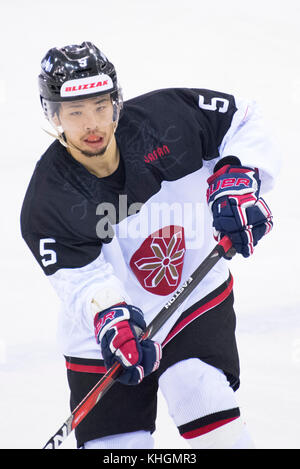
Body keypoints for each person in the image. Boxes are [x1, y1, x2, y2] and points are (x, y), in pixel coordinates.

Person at [20, 41, 279, 450]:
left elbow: (243, 119)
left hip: (192, 295)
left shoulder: (166, 122)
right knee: (119, 446)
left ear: (117, 103)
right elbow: (82, 279)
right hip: (105, 333)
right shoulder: (48, 199)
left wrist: (237, 180)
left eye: (101, 107)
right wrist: (110, 318)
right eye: (75, 112)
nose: (92, 124)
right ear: (53, 115)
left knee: (197, 386)